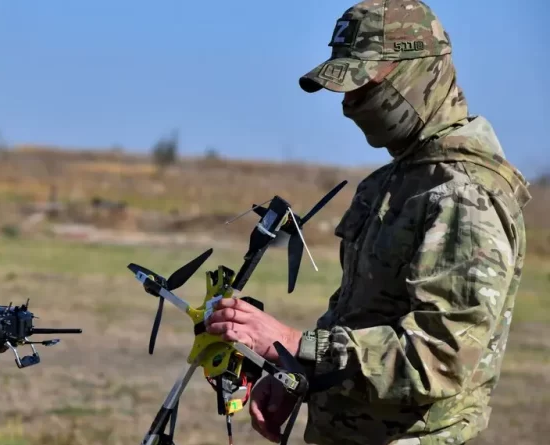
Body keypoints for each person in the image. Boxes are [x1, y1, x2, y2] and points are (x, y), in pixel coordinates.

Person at [206, 0, 532, 444]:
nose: (349, 105)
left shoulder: (464, 196)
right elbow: (358, 315)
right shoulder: (390, 183)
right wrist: (298, 371)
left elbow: (439, 358)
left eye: (363, 85)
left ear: (419, 70)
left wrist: (297, 344)